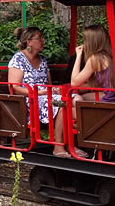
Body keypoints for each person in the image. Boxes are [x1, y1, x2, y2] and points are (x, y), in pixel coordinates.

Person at [7, 26, 69, 157]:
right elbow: (14, 88)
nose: (43, 41)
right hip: (30, 99)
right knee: (63, 103)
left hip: (45, 97)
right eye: (39, 38)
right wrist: (38, 93)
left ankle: (73, 143)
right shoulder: (18, 59)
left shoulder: (43, 60)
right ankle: (58, 146)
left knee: (72, 99)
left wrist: (54, 90)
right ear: (29, 42)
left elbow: (48, 84)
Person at [71, 24, 115, 117]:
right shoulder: (114, 55)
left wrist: (78, 55)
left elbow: (74, 82)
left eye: (84, 41)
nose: (83, 44)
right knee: (82, 98)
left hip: (109, 105)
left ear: (91, 42)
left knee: (65, 111)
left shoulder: (96, 59)